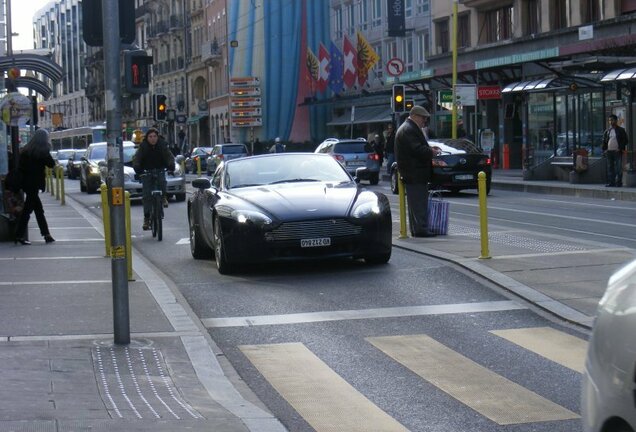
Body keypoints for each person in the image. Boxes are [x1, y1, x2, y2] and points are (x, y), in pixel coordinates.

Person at [394, 105, 440, 238]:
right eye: (423, 118)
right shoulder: (409, 129)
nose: (424, 121)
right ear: (415, 116)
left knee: (416, 204)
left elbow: (416, 147)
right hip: (415, 173)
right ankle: (421, 229)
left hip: (412, 172)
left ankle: (417, 229)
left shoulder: (407, 128)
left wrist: (430, 148)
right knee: (419, 203)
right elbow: (417, 149)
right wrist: (431, 152)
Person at [14, 129, 56, 245]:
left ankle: (46, 235)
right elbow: (51, 164)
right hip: (35, 184)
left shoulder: (26, 150)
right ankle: (19, 235)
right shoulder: (42, 151)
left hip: (26, 184)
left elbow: (21, 167)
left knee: (38, 209)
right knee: (28, 210)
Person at [133, 128, 175, 230]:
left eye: (154, 136)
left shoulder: (162, 145)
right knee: (147, 195)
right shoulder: (143, 146)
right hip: (146, 171)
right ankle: (147, 218)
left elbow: (169, 155)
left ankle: (164, 197)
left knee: (162, 182)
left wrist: (171, 164)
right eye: (150, 137)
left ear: (158, 137)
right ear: (147, 138)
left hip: (159, 169)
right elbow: (137, 158)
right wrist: (137, 167)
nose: (153, 139)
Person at [602, 114, 628, 187]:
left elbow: (625, 140)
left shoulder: (621, 130)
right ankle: (611, 182)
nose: (610, 122)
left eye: (612, 120)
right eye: (609, 120)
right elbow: (604, 141)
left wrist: (620, 148)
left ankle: (619, 182)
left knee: (618, 168)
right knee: (610, 167)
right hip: (609, 152)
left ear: (616, 121)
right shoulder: (607, 131)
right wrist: (605, 150)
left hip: (617, 151)